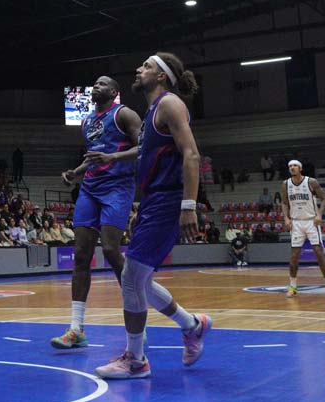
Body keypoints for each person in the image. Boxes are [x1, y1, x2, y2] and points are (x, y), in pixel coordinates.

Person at [96, 52, 210, 381]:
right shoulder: (151, 113)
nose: (138, 69)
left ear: (161, 76)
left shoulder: (170, 104)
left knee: (131, 278)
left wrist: (188, 206)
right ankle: (192, 325)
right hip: (152, 202)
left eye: (146, 66)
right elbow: (150, 158)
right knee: (141, 281)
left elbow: (192, 155)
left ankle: (136, 360)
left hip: (168, 200)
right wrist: (141, 207)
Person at [51, 76, 140, 350]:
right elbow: (93, 158)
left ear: (114, 91)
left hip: (118, 187)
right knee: (81, 255)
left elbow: (144, 148)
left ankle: (137, 318)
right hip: (90, 188)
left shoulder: (124, 115)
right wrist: (75, 173)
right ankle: (76, 329)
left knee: (111, 249)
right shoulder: (87, 121)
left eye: (102, 84)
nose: (96, 87)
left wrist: (114, 158)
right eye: (95, 84)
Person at [281, 160, 325, 299]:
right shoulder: (286, 184)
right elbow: (284, 203)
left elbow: (324, 199)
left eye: (294, 166)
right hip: (296, 223)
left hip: (311, 222)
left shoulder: (311, 182)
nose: (292, 168)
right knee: (294, 256)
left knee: (319, 253)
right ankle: (293, 287)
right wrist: (286, 218)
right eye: (290, 166)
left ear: (300, 168)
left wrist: (319, 215)